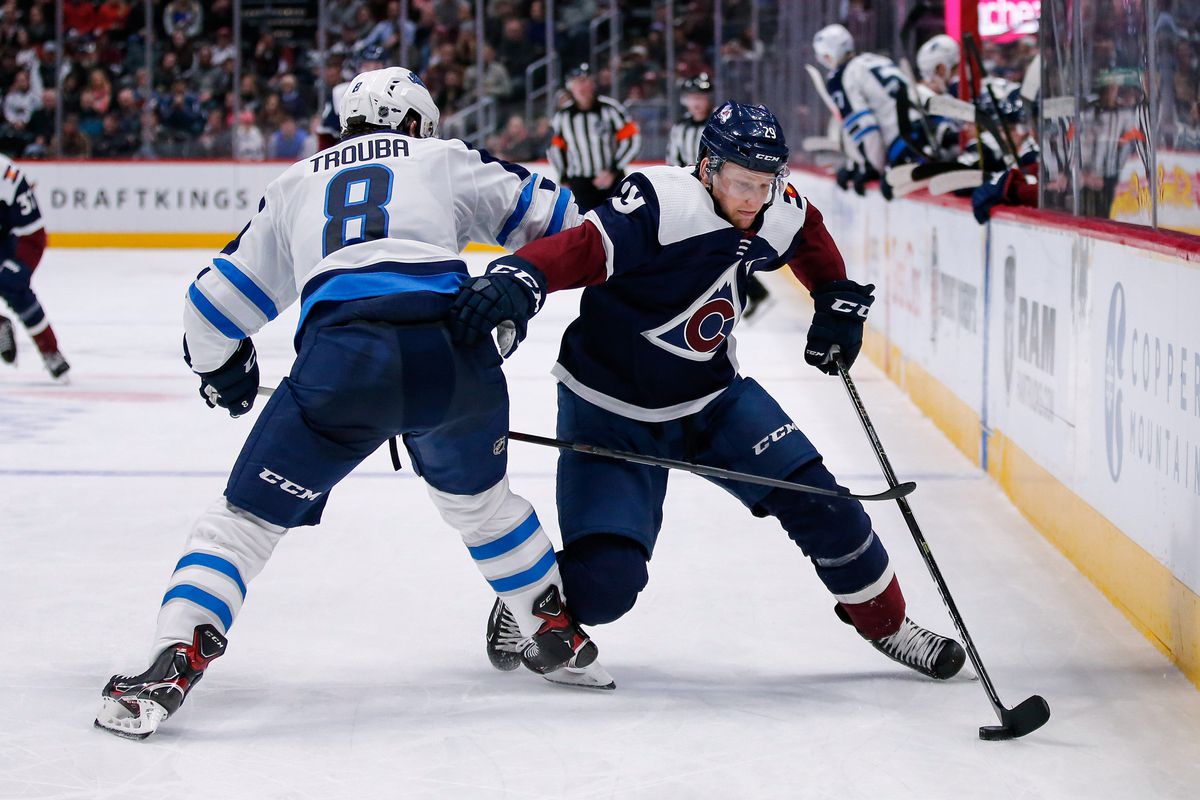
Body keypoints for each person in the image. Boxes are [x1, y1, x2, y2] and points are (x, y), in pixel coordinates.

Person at [94, 66, 599, 741]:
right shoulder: (443, 157)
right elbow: (568, 224)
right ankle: (554, 634)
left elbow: (210, 306)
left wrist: (227, 370)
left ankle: (172, 664)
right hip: (456, 358)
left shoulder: (297, 181)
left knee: (240, 525)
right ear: (418, 121)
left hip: (344, 364)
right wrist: (512, 296)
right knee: (483, 509)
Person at [449, 101, 967, 688]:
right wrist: (524, 277)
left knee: (831, 509)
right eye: (742, 182)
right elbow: (584, 248)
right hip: (607, 412)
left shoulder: (775, 209)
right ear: (707, 168)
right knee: (608, 587)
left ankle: (890, 626)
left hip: (714, 402)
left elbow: (811, 233)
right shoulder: (660, 202)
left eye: (766, 182)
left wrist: (836, 296)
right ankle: (526, 604)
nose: (753, 197)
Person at [666, 73, 772, 319]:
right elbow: (673, 160)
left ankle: (745, 292)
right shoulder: (680, 127)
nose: (696, 102)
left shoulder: (722, 125)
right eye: (692, 97)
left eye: (700, 97)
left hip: (722, 197)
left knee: (724, 247)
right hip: (692, 197)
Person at [813, 23, 924, 197]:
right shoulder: (876, 60)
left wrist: (873, 167)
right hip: (926, 132)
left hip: (904, 147)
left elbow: (865, 126)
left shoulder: (840, 78)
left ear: (828, 56)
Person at [0, 153, 69, 378]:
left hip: (20, 242)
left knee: (15, 290)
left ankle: (51, 352)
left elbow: (32, 234)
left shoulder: (5, 173)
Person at [547, 63, 641, 212]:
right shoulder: (562, 117)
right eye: (577, 82)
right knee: (584, 227)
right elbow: (556, 149)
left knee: (619, 227)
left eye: (585, 80)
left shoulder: (610, 109)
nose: (581, 87)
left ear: (592, 83)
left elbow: (632, 139)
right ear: (570, 87)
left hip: (612, 179)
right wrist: (563, 178)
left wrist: (613, 170)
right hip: (579, 183)